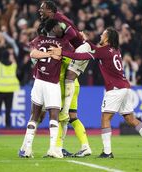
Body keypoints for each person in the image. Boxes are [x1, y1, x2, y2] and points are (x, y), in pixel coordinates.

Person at [49, 27, 142, 158]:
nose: (101, 36)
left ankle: (107, 152)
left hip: (114, 90)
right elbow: (95, 49)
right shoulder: (114, 50)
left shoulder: (103, 52)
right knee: (131, 119)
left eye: (103, 34)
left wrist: (62, 52)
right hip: (125, 87)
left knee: (105, 119)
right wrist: (85, 39)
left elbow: (82, 56)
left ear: (107, 38)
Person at [38, 1, 92, 157]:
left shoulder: (62, 46)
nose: (40, 11)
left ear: (50, 10)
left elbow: (73, 35)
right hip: (74, 85)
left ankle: (57, 148)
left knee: (62, 116)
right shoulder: (64, 48)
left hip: (67, 85)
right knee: (72, 117)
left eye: (43, 9)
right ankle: (85, 146)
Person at [18, 19, 72, 159]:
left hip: (38, 82)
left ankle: (27, 149)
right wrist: (52, 54)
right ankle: (53, 149)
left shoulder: (39, 39)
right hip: (51, 83)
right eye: (59, 27)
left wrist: (49, 54)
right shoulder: (63, 42)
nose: (61, 28)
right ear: (53, 28)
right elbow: (72, 54)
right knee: (54, 116)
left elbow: (33, 54)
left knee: (34, 116)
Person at [0, 46, 20, 129]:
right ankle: (8, 125)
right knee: (8, 109)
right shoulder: (13, 65)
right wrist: (12, 57)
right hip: (10, 91)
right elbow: (15, 64)